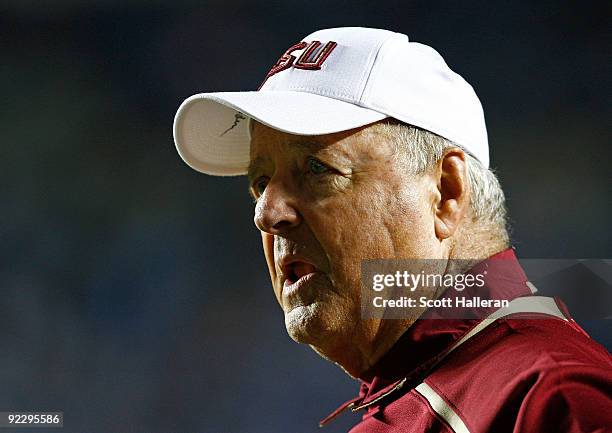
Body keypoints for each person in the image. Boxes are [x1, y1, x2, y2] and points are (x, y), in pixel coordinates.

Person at [172, 27, 611, 432]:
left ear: (445, 192)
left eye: (316, 168)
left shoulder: (554, 399)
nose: (267, 213)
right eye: (261, 182)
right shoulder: (428, 394)